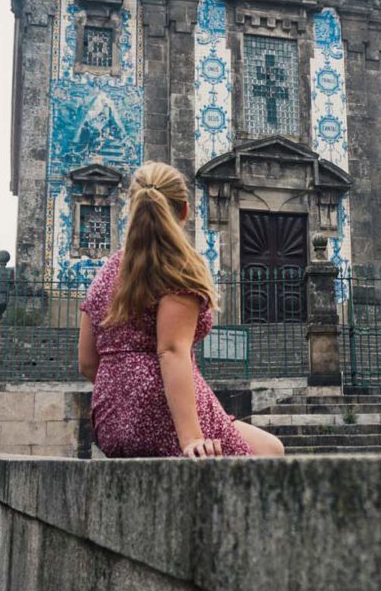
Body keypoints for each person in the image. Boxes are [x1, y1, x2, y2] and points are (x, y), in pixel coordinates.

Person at [78, 161, 284, 459]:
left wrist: (126, 390)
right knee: (268, 453)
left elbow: (86, 362)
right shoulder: (177, 268)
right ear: (185, 211)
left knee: (266, 447)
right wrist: (191, 439)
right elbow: (171, 351)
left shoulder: (105, 273)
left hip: (110, 416)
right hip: (163, 410)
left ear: (132, 209)